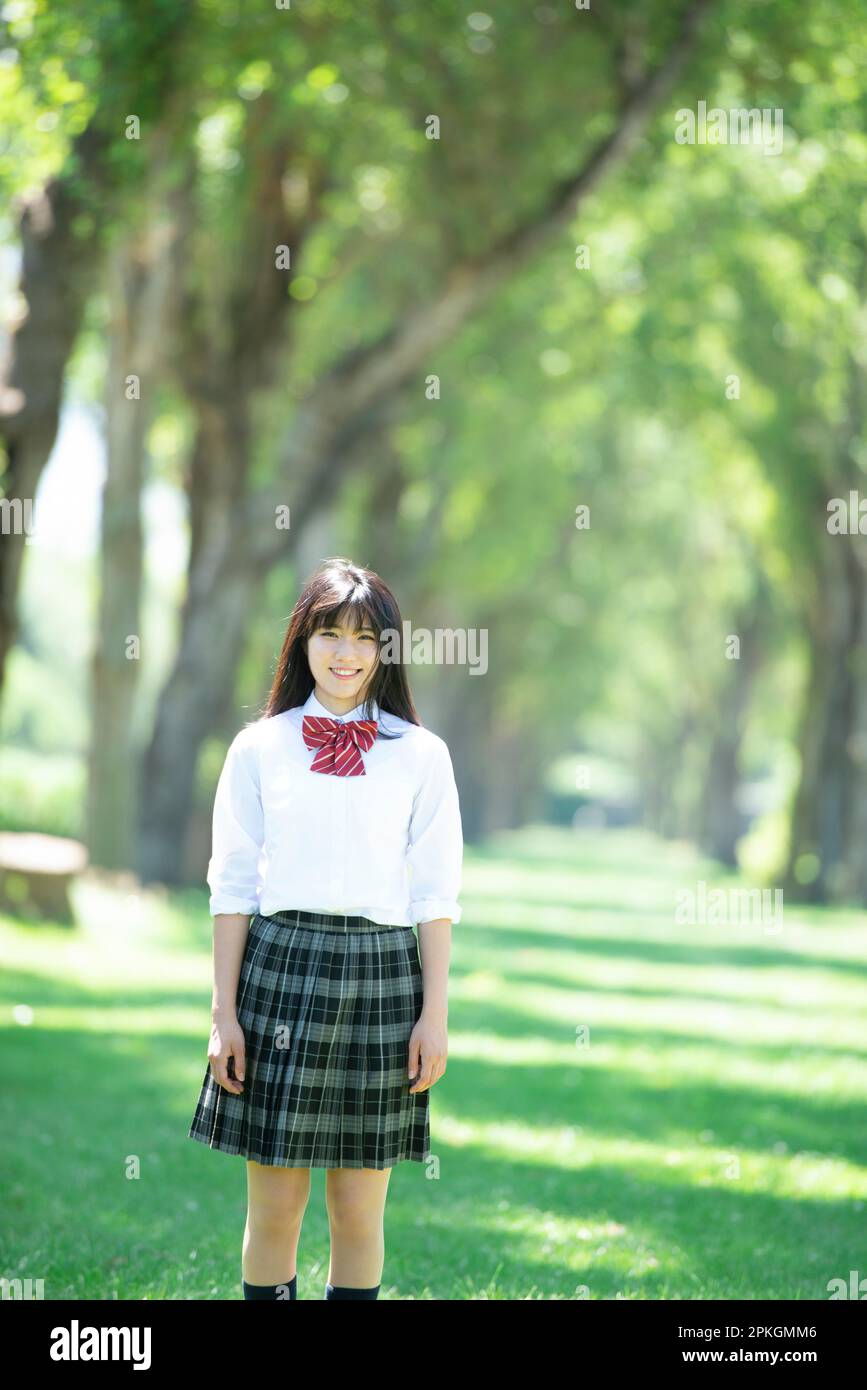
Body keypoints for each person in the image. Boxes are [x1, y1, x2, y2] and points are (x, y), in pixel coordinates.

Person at [188, 556, 463, 1301]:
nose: (346, 654)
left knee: (357, 1213)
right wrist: (224, 1017)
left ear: (386, 651)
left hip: (381, 977)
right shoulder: (259, 748)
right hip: (278, 972)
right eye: (330, 634)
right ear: (302, 640)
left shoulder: (421, 756)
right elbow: (232, 887)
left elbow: (436, 896)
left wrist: (433, 1015)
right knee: (275, 1207)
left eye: (365, 638)